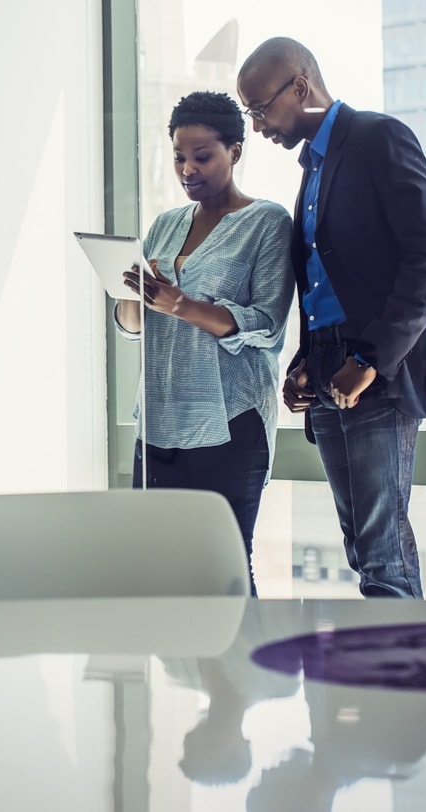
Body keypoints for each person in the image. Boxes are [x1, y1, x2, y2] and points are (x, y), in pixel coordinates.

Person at [236, 37, 426, 598]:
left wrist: (368, 359)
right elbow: (327, 281)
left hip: (379, 375)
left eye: (260, 108)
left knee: (383, 553)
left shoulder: (377, 139)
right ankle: (388, 675)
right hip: (329, 371)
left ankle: (403, 680)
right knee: (363, 548)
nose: (257, 124)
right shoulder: (312, 168)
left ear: (300, 86)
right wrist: (305, 361)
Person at [114, 90, 295, 597]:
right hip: (159, 423)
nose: (187, 169)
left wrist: (181, 305)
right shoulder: (165, 225)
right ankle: (169, 678)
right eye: (178, 157)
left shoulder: (267, 223)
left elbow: (266, 324)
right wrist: (133, 292)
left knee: (226, 568)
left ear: (236, 151)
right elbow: (131, 324)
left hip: (229, 423)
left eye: (201, 156)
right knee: (157, 571)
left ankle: (238, 675)